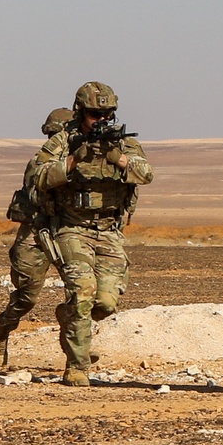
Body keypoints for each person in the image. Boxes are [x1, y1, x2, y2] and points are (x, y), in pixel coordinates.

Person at [32, 82, 153, 386]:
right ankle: (77, 367)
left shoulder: (122, 143)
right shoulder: (63, 141)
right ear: (80, 111)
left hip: (108, 231)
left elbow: (147, 174)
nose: (101, 119)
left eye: (107, 113)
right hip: (72, 228)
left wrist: (118, 158)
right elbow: (38, 177)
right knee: (82, 291)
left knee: (106, 303)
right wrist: (75, 159)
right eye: (94, 114)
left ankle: (70, 316)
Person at [0, 107, 74, 367]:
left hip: (68, 231)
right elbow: (37, 186)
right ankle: (2, 328)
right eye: (51, 134)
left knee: (79, 292)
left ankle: (76, 351)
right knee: (27, 295)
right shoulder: (42, 161)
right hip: (37, 231)